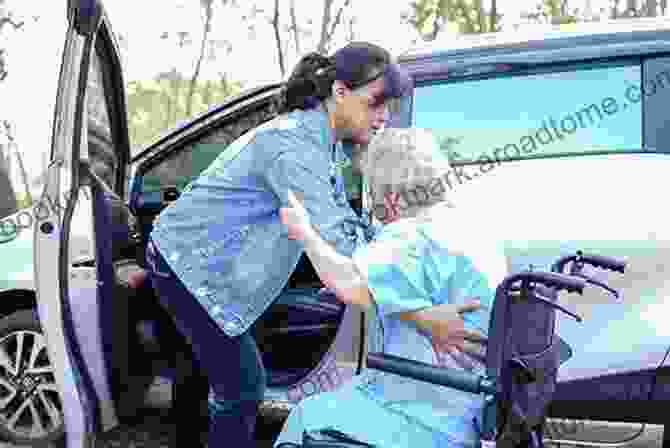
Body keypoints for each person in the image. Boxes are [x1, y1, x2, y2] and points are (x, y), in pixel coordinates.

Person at [143, 42, 486, 448]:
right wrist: (422, 315)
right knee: (243, 387)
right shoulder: (296, 148)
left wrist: (395, 238)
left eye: (390, 107)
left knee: (206, 376)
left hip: (213, 263)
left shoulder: (322, 141)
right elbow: (339, 246)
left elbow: (343, 224)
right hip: (188, 265)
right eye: (377, 103)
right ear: (339, 91)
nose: (384, 118)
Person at [274, 128, 508, 448]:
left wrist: (304, 232)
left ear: (393, 199)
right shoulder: (470, 229)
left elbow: (349, 285)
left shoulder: (411, 236)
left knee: (305, 416)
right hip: (465, 409)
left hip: (423, 417)